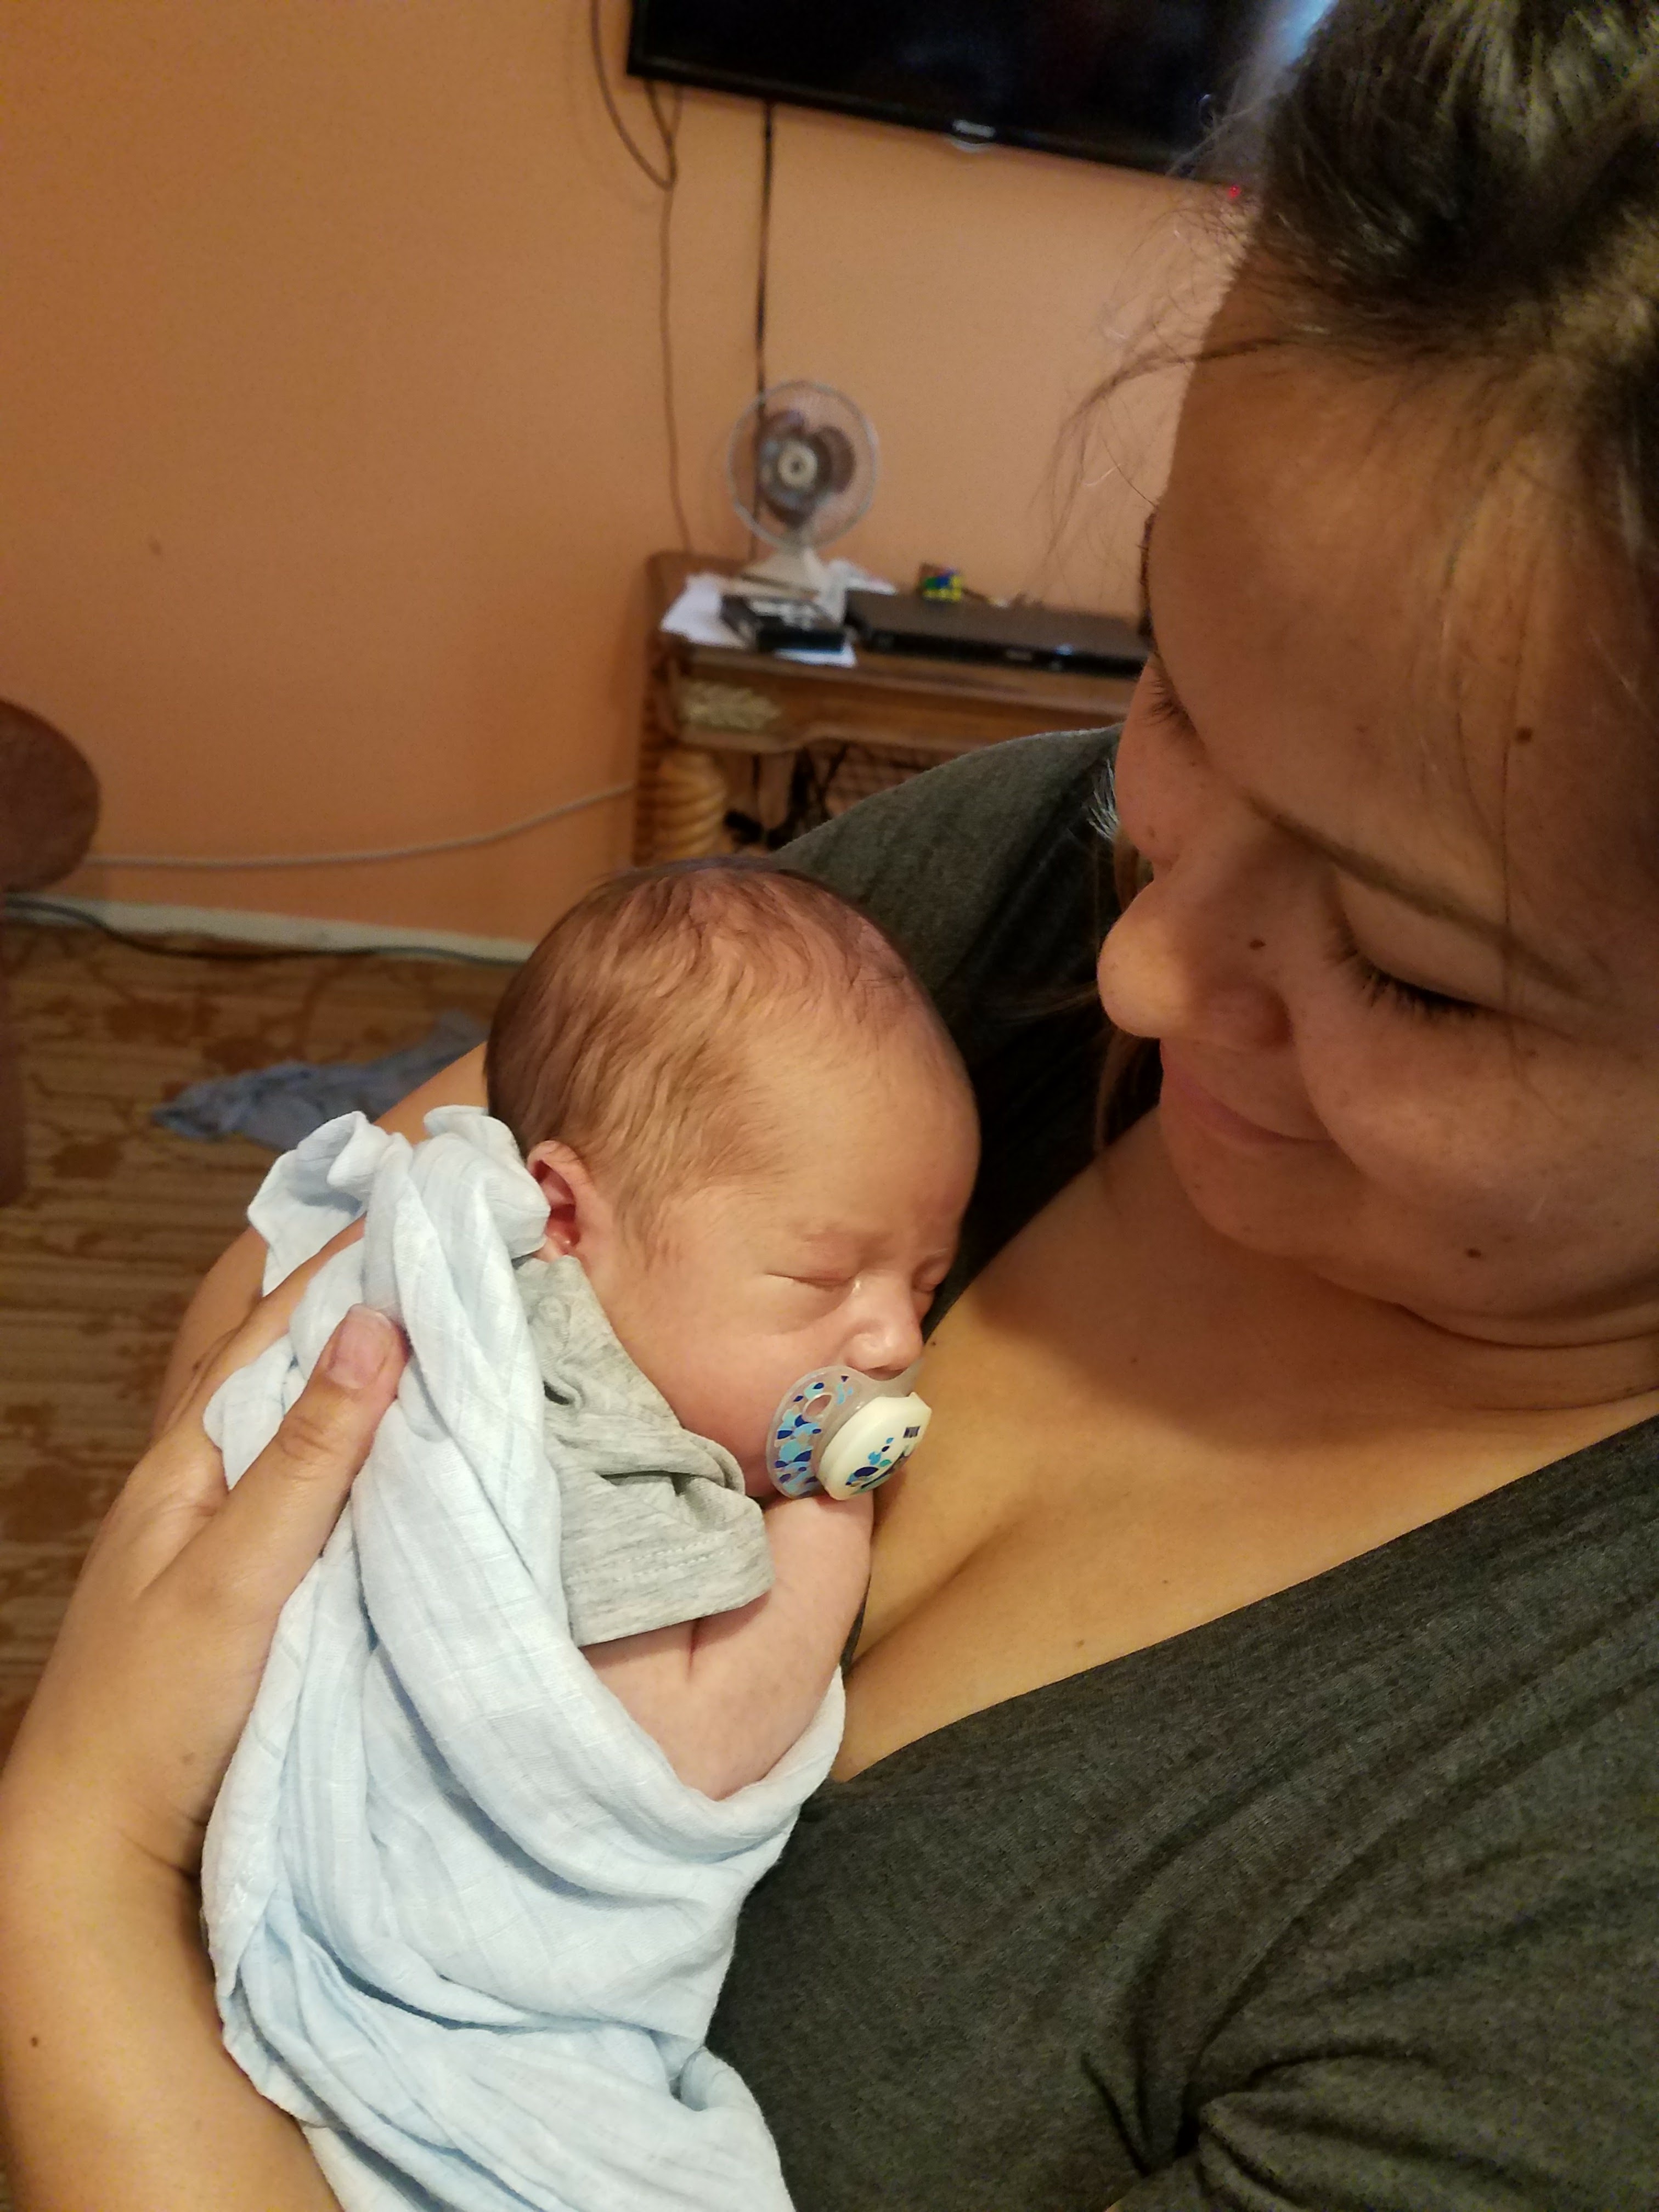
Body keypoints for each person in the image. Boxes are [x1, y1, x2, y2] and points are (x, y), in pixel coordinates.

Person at [4, 1, 1659, 2205]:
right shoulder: (989, 886)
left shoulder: (1577, 1924)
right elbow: (348, 1263)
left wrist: (75, 1855)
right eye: (1174, 683)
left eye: (1413, 970)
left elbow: (170, 1637)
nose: (1138, 969)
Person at [197, 862, 976, 2211]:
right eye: (821, 1278)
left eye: (927, 1280)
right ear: (563, 1216)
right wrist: (830, 1515)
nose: (895, 1338)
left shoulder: (569, 1314)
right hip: (447, 1976)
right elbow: (682, 1748)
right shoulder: (594, 1434)